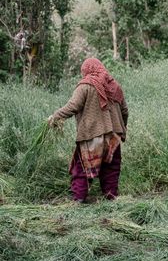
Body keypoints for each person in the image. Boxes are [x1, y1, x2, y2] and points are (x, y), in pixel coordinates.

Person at [48, 58, 128, 203]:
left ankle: (79, 199)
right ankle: (111, 197)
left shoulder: (85, 86)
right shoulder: (114, 86)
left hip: (92, 135)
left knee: (82, 168)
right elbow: (125, 111)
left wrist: (55, 117)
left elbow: (73, 106)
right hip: (114, 135)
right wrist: (123, 130)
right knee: (111, 168)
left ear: (86, 71)